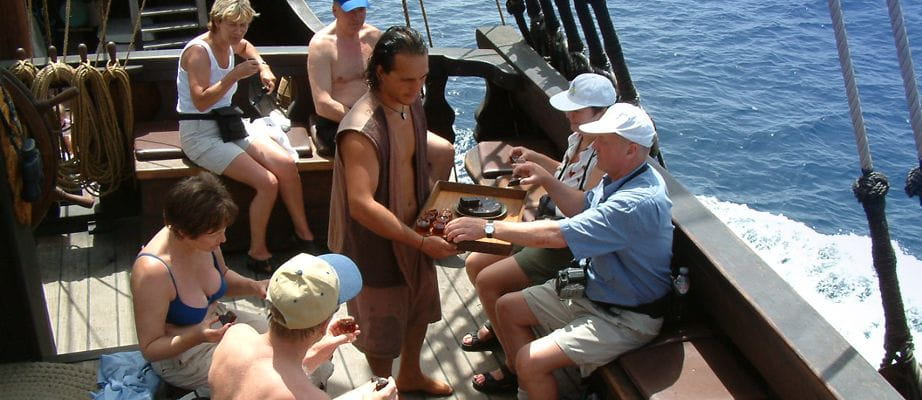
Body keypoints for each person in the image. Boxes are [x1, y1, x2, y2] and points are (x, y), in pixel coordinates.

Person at [444, 103, 674, 398]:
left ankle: (527, 378)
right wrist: (547, 179)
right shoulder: (618, 177)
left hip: (625, 316)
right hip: (596, 289)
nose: (596, 146)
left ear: (630, 150)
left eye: (603, 140)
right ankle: (524, 382)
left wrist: (487, 228)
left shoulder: (634, 203)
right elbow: (580, 206)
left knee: (531, 359)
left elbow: (557, 235)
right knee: (507, 308)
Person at [327, 26, 457, 396]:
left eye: (423, 78)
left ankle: (412, 373)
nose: (417, 88)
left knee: (419, 309)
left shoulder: (409, 101)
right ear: (380, 72)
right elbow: (362, 205)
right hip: (377, 241)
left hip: (416, 230)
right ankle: (383, 390)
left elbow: (418, 151)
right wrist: (418, 241)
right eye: (407, 79)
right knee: (381, 332)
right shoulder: (361, 130)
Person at [459, 73, 615, 354]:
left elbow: (582, 206)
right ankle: (501, 329)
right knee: (475, 263)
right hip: (546, 222)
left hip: (568, 241)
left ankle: (514, 362)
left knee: (488, 281)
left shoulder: (606, 151)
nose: (571, 117)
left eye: (577, 111)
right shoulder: (578, 138)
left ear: (602, 113)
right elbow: (569, 175)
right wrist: (536, 158)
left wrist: (544, 179)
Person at [176, 0, 317, 274]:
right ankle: (257, 251)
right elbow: (201, 101)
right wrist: (232, 77)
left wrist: (262, 66)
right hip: (200, 133)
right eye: (233, 25)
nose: (238, 31)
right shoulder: (198, 52)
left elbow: (246, 48)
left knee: (286, 165)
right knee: (267, 183)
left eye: (243, 25)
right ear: (216, 22)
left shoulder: (233, 42)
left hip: (229, 125)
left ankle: (304, 235)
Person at [130, 173, 270, 393]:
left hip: (218, 321)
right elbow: (150, 348)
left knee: (288, 340)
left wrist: (253, 286)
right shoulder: (153, 273)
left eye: (224, 230)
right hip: (180, 355)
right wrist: (196, 336)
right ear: (183, 232)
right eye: (215, 233)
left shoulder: (207, 236)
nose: (223, 240)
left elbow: (222, 276)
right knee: (264, 375)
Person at [208, 252, 399, 400]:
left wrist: (315, 354)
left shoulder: (235, 336)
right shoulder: (307, 396)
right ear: (325, 324)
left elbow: (267, 379)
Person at [307, 0, 454, 184]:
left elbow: (397, 78)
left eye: (361, 10)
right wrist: (370, 122)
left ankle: (426, 210)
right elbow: (323, 104)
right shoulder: (322, 46)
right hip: (340, 123)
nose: (357, 16)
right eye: (350, 11)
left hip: (383, 117)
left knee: (444, 152)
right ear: (335, 10)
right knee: (392, 154)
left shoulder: (375, 38)